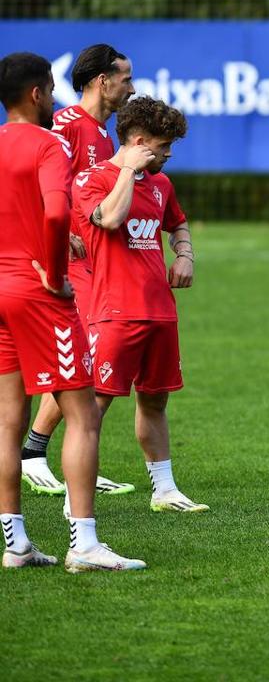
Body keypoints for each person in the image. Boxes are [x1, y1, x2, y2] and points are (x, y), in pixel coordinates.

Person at [0, 51, 144, 572]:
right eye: (50, 87)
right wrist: (54, 267)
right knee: (83, 415)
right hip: (38, 291)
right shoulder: (50, 143)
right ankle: (84, 545)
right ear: (37, 93)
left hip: (0, 288)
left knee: (7, 419)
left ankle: (15, 543)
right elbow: (58, 210)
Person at [74, 95, 205, 513]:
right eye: (163, 146)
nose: (168, 154)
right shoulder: (91, 180)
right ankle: (76, 498)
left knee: (155, 399)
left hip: (159, 311)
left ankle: (164, 490)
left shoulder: (162, 184)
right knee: (94, 406)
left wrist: (184, 253)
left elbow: (176, 221)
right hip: (113, 313)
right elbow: (110, 219)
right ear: (138, 140)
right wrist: (127, 171)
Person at [21, 44, 137, 497]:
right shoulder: (65, 125)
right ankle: (35, 454)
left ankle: (53, 456)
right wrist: (55, 232)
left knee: (82, 363)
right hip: (61, 264)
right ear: (102, 81)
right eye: (125, 78)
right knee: (77, 361)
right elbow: (33, 176)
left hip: (92, 265)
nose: (131, 86)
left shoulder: (105, 136)